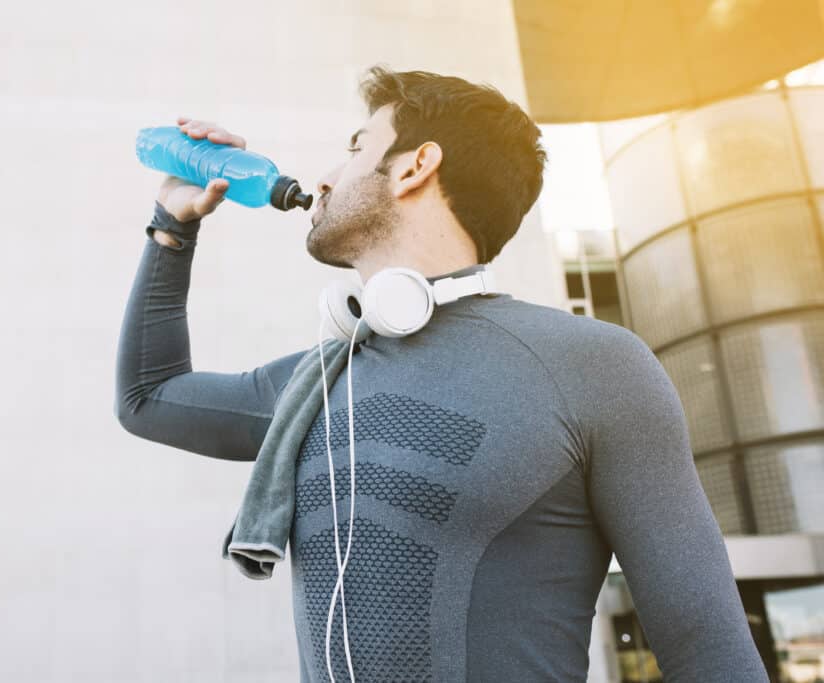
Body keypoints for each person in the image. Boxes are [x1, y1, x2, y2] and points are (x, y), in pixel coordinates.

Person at [115, 65, 769, 682]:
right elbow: (148, 398)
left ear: (417, 166)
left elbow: (708, 649)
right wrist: (171, 223)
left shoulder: (595, 367)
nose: (323, 178)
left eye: (356, 146)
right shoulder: (317, 385)